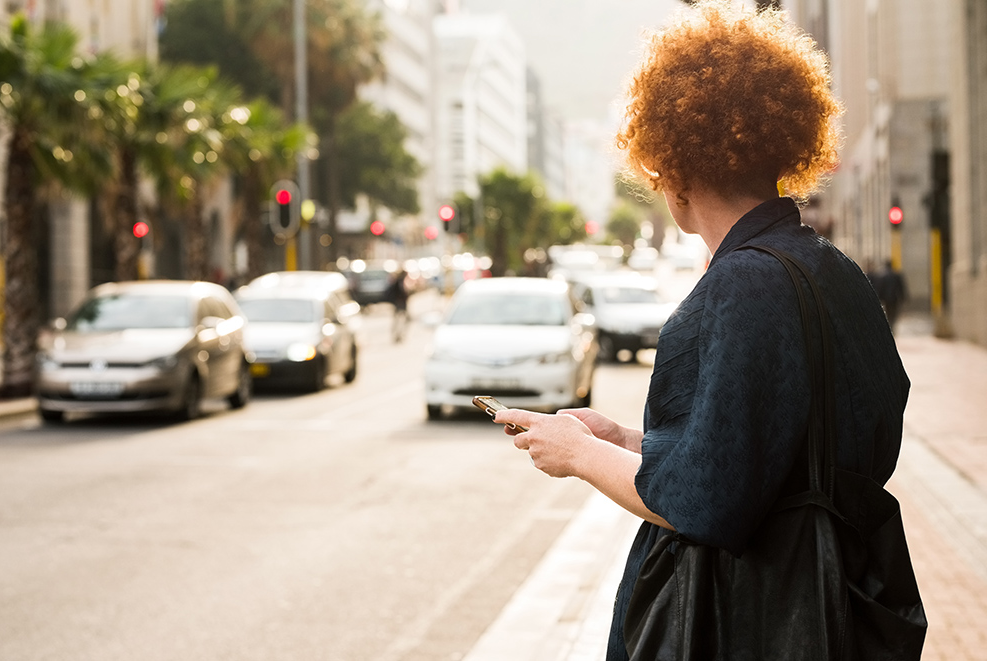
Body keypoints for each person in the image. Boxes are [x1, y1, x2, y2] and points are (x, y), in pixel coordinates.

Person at [492, 2, 911, 659]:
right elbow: (781, 446)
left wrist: (577, 454)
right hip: (850, 595)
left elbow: (709, 500)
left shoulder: (744, 283)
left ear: (673, 170)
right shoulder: (834, 271)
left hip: (744, 617)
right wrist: (631, 438)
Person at [874, 258, 908, 331]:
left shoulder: (882, 276)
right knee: (894, 313)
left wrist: (879, 298)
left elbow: (880, 288)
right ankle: (892, 326)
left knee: (888, 312)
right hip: (894, 298)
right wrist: (903, 297)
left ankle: (889, 326)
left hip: (886, 298)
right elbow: (901, 287)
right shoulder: (896, 275)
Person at [386, 269, 410, 343]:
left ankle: (398, 335)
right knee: (400, 321)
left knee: (400, 320)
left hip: (400, 303)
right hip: (399, 303)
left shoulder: (400, 281)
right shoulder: (399, 282)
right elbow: (400, 293)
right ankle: (397, 335)